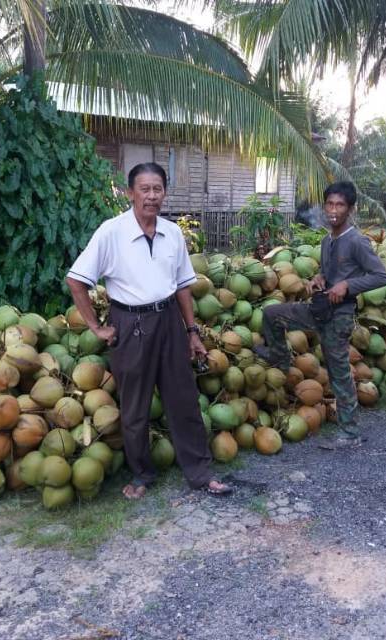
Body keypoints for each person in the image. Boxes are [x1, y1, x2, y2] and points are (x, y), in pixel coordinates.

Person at [66, 162, 231, 499]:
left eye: (158, 189)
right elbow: (76, 280)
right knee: (135, 406)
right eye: (145, 189)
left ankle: (199, 473)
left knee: (184, 401)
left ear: (164, 193)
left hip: (169, 319)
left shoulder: (172, 233)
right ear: (130, 193)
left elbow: (184, 285)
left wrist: (192, 331)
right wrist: (96, 327)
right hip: (130, 324)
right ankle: (142, 474)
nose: (152, 196)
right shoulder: (111, 232)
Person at [254, 181, 386, 449]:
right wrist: (318, 279)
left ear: (350, 209)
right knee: (272, 314)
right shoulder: (328, 240)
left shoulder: (357, 241)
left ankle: (350, 435)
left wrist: (347, 286)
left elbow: (381, 276)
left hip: (339, 316)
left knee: (339, 373)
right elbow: (329, 274)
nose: (333, 210)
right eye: (330, 204)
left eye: (340, 205)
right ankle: (281, 360)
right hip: (319, 308)